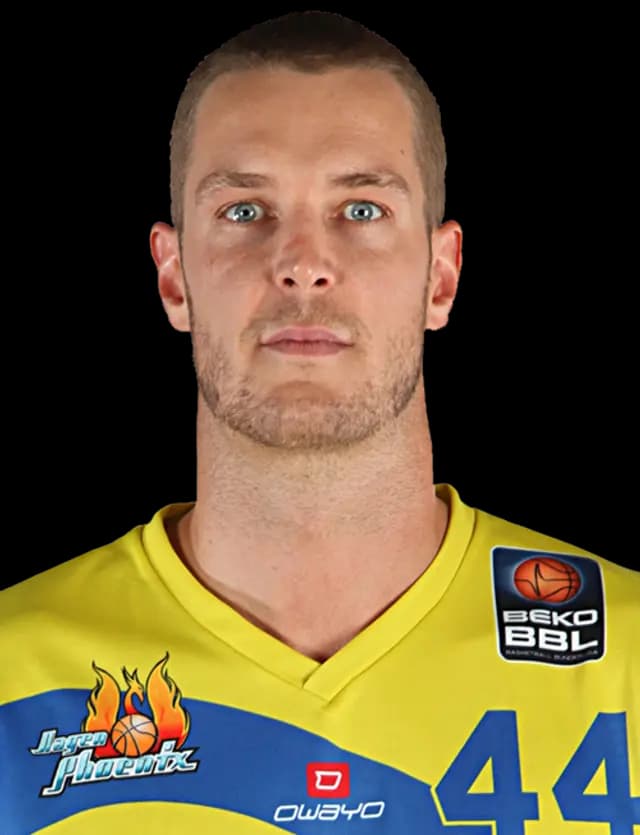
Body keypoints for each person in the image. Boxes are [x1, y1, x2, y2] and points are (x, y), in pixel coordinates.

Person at [1, 11, 638, 834]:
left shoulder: (628, 661)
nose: (302, 263)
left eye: (362, 209)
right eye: (244, 211)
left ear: (441, 277)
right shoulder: (13, 677)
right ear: (174, 277)